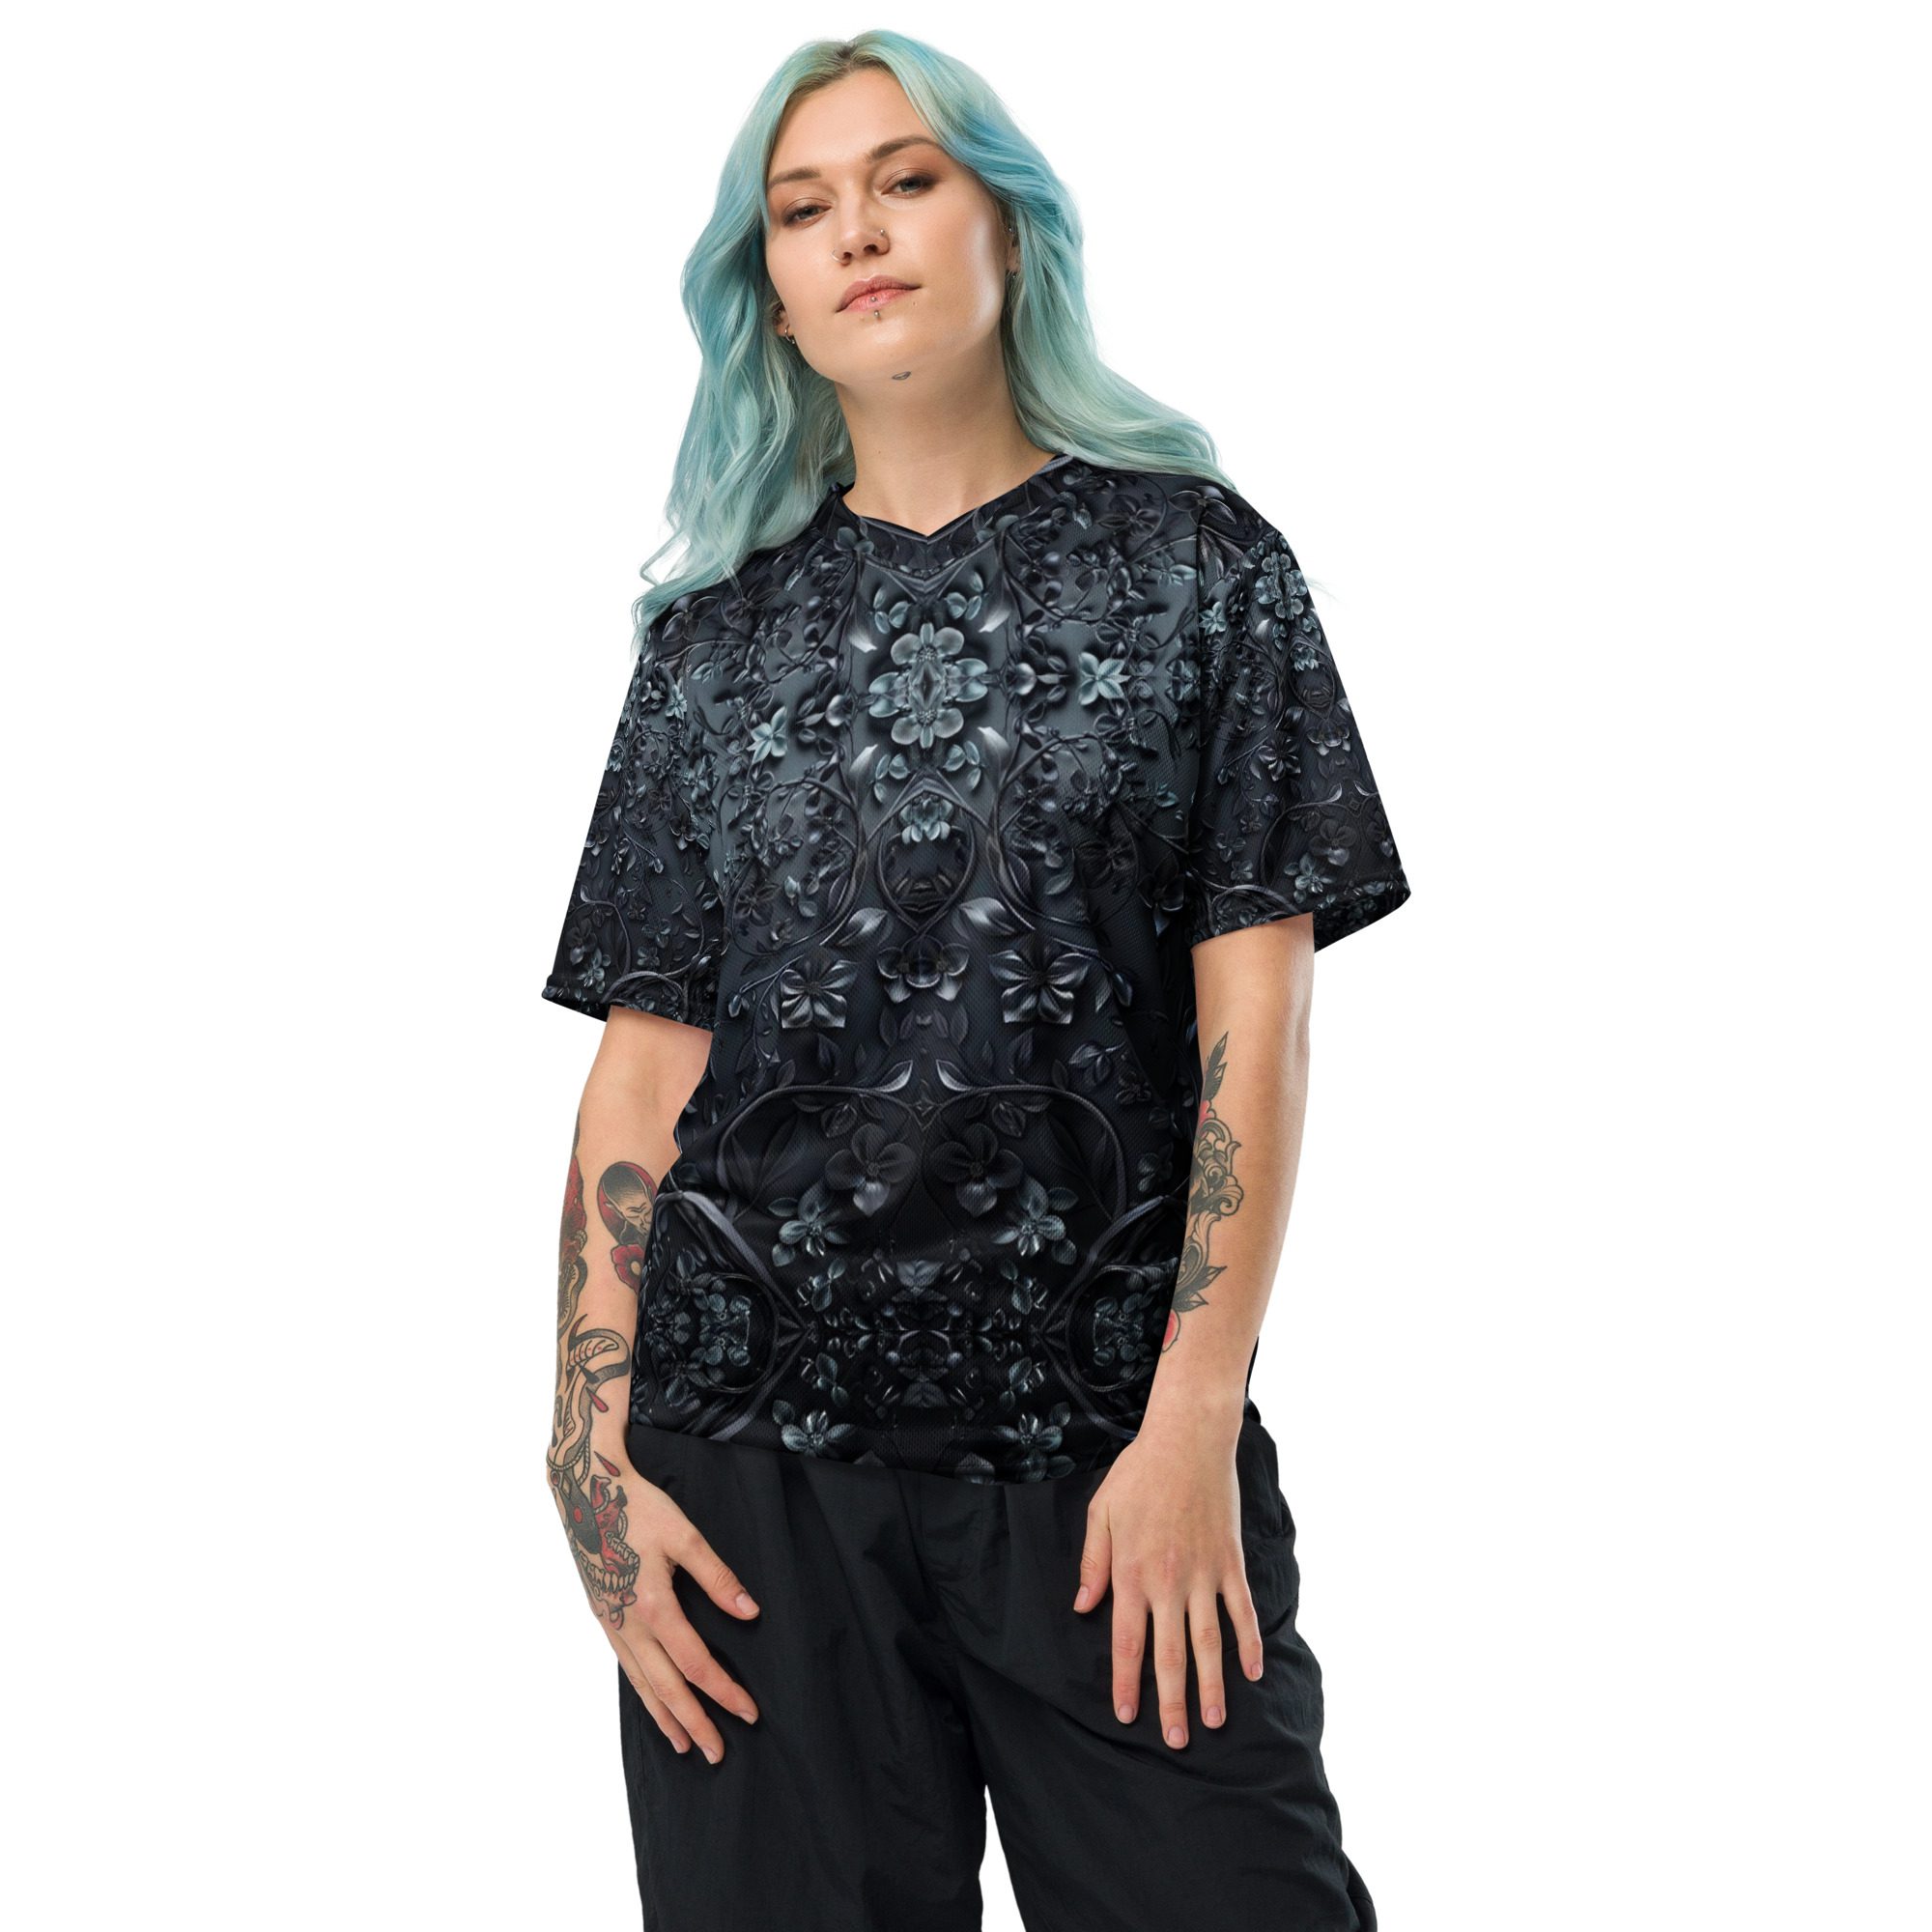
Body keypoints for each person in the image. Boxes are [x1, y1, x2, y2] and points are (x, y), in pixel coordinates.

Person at [541, 30, 1410, 1932]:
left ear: (1009, 225)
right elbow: (644, 1072)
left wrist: (1192, 1419)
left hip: (1105, 1447)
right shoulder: (708, 647)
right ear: (770, 294)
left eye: (907, 180)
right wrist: (587, 1453)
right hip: (748, 1470)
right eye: (803, 209)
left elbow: (1254, 1022)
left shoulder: (1200, 573)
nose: (858, 230)